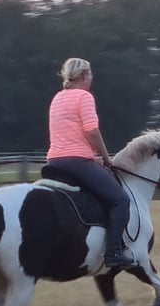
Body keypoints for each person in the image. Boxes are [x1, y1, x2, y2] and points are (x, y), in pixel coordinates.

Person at [45, 57, 134, 268]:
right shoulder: (84, 96)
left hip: (54, 161)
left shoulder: (57, 98)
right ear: (84, 76)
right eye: (91, 74)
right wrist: (106, 158)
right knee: (120, 200)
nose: (92, 78)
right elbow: (91, 131)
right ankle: (113, 252)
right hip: (77, 161)